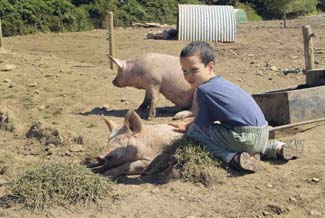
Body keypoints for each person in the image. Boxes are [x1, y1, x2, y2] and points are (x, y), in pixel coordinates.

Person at [169, 41, 303, 173]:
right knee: (254, 144)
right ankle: (279, 148)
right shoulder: (224, 83)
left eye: (194, 70)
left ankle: (233, 158)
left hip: (244, 137)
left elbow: (201, 125)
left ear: (210, 67)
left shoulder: (204, 91)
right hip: (263, 132)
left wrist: (187, 127)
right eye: (184, 71)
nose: (188, 76)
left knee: (194, 133)